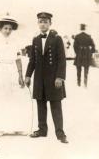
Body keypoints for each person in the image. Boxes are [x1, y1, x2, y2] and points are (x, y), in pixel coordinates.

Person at [25, 12, 68, 144]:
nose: (43, 24)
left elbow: (62, 60)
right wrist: (28, 75)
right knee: (40, 104)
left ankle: (60, 134)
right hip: (39, 79)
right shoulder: (36, 39)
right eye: (40, 22)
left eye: (45, 22)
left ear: (50, 24)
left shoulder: (57, 38)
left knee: (56, 106)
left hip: (54, 79)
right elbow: (32, 60)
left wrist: (60, 77)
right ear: (38, 23)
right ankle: (42, 130)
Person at [0, 16, 28, 136]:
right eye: (5, 28)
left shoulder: (15, 41)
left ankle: (16, 126)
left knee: (14, 98)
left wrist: (20, 75)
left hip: (12, 70)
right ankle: (0, 127)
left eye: (10, 28)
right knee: (0, 98)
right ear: (0, 28)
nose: (8, 31)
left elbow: (18, 59)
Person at [73, 24, 96, 88]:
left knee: (78, 69)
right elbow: (93, 46)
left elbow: (74, 46)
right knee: (86, 69)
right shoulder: (89, 36)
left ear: (80, 29)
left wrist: (77, 52)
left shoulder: (77, 36)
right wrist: (90, 52)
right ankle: (85, 83)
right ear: (85, 28)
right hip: (86, 54)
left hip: (79, 54)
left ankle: (78, 83)